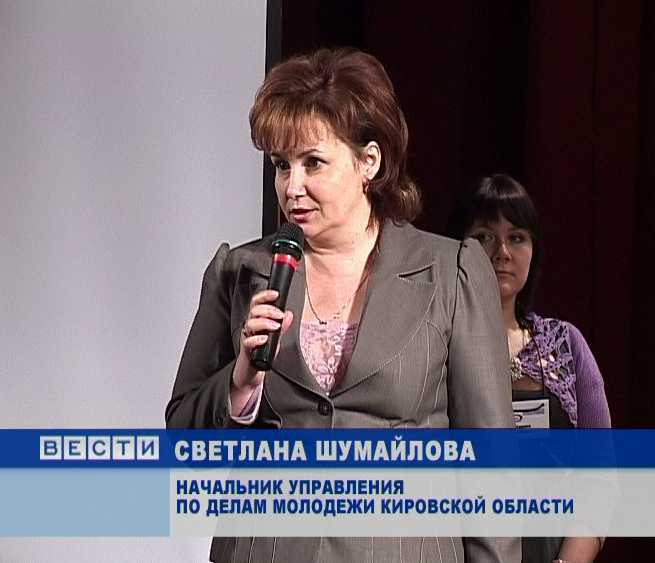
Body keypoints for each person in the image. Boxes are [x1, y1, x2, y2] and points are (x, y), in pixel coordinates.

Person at [166, 48, 520, 563]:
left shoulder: (452, 272)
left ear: (368, 162)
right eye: (281, 165)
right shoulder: (239, 272)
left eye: (313, 163)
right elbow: (180, 443)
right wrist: (239, 385)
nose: (292, 187)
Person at [449, 173, 611, 563]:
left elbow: (601, 481)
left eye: (517, 237)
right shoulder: (436, 346)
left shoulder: (566, 344)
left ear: (534, 249)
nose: (502, 252)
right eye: (484, 236)